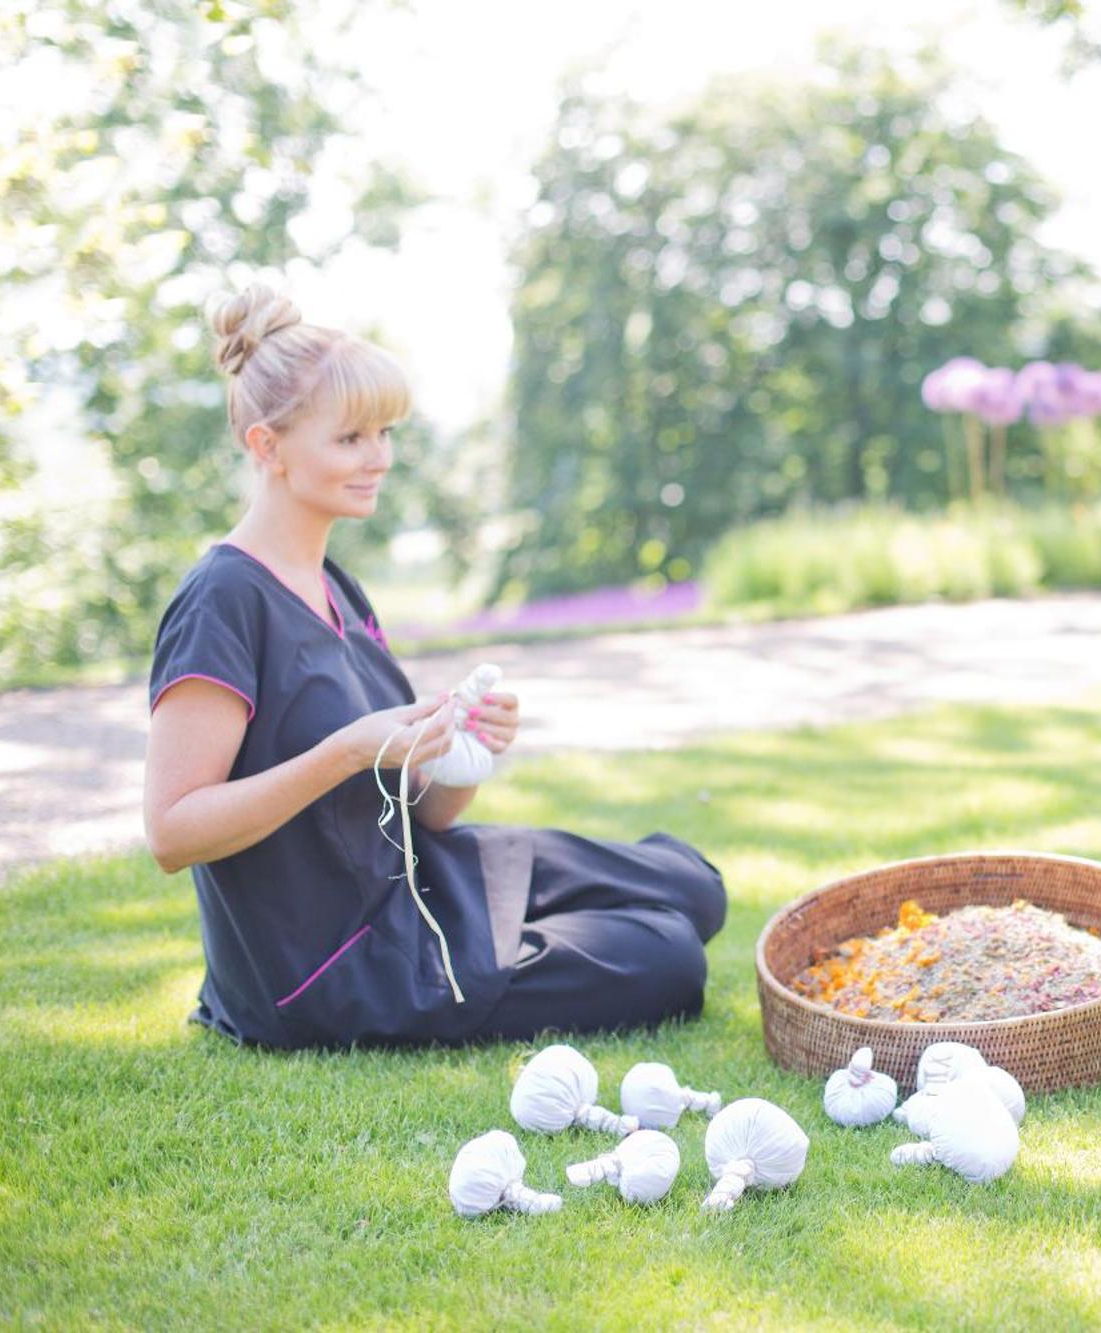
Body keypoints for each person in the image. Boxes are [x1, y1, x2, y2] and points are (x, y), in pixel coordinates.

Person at [143, 284, 725, 1048]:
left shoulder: (334, 585)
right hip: (339, 964)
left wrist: (459, 754)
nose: (378, 457)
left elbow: (421, 813)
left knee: (692, 885)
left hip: (420, 882)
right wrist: (346, 751)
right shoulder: (222, 600)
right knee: (668, 954)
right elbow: (172, 831)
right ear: (267, 447)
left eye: (384, 433)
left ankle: (544, 928)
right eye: (351, 438)